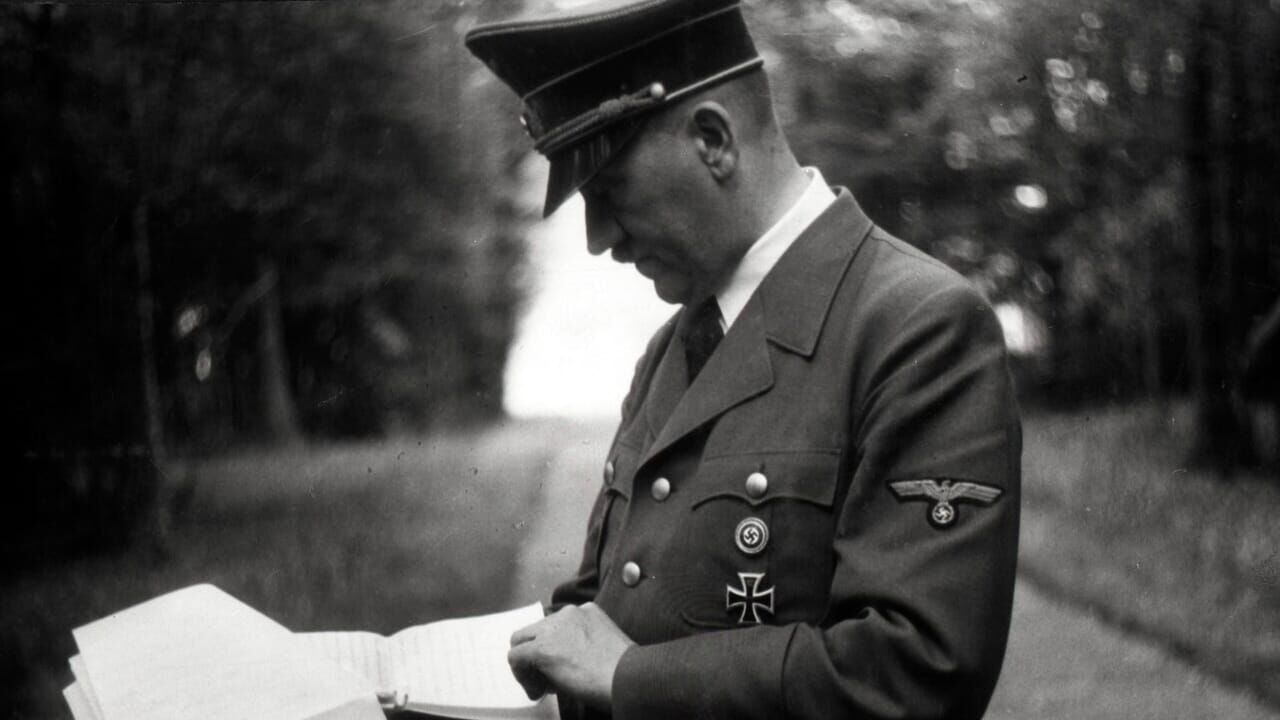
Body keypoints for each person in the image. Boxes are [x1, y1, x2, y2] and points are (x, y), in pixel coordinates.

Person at [465, 1, 1021, 718]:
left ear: (713, 141)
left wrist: (632, 678)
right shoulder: (673, 348)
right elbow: (603, 613)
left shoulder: (918, 328)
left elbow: (917, 673)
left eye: (609, 192)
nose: (599, 239)